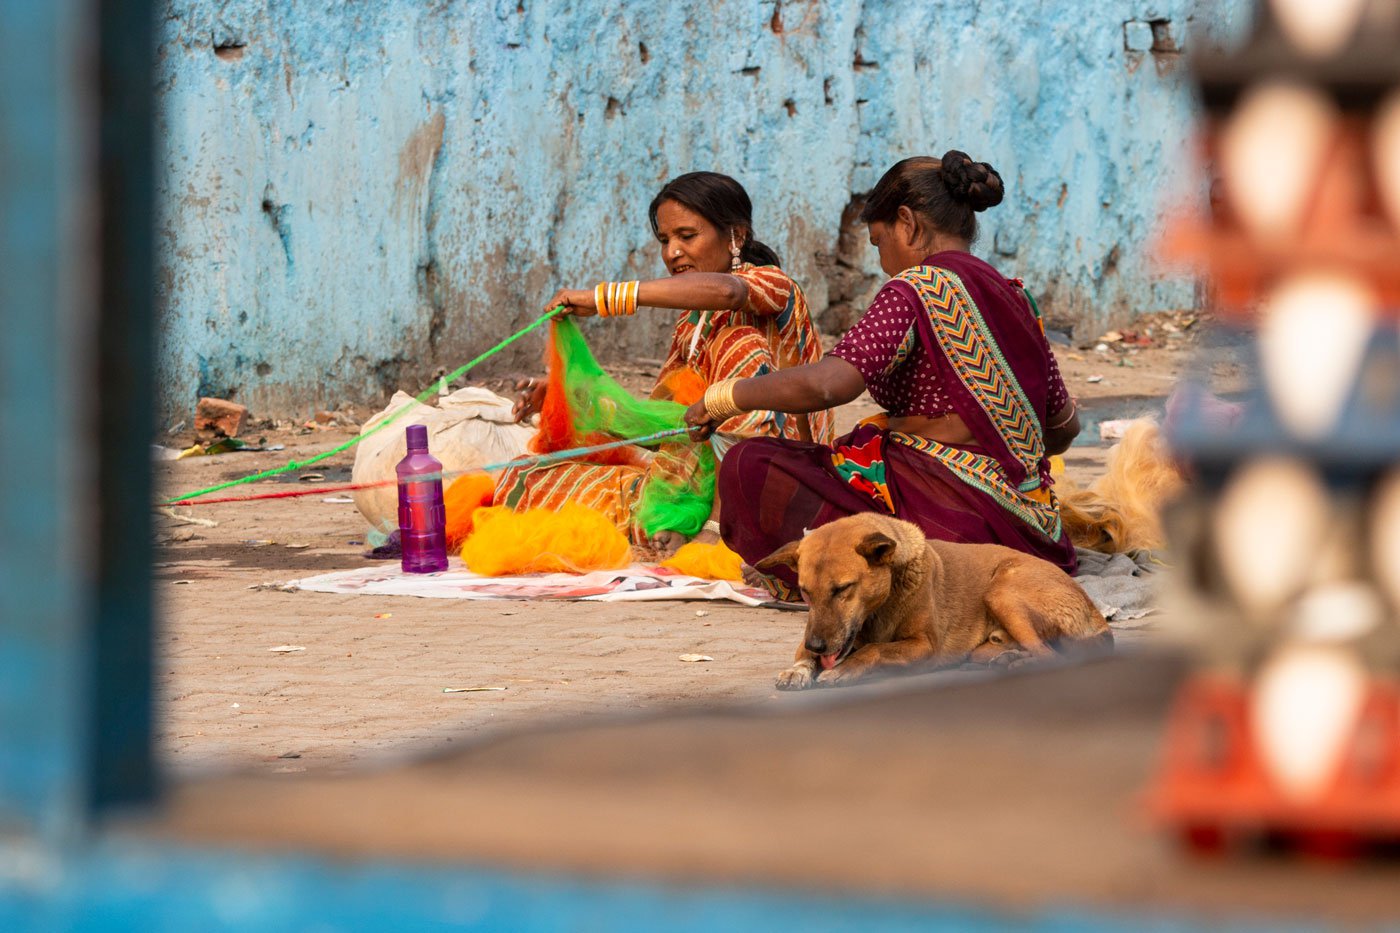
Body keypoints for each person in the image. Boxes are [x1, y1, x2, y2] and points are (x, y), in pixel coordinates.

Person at [684, 152, 1080, 598]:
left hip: (948, 527)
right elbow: (1063, 430)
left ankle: (837, 584)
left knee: (749, 464)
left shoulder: (913, 289)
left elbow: (828, 384)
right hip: (1032, 532)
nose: (883, 263)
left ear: (907, 223)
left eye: (878, 242)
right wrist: (993, 441)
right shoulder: (1017, 298)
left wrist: (728, 396)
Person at [502, 171, 833, 554]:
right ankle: (682, 524)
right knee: (521, 477)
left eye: (687, 236)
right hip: (695, 486)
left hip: (780, 480)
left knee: (736, 344)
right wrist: (573, 400)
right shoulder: (690, 321)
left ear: (736, 237)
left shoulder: (775, 285)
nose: (672, 252)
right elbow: (668, 429)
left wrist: (606, 298)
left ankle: (721, 525)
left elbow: (728, 291)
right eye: (664, 240)